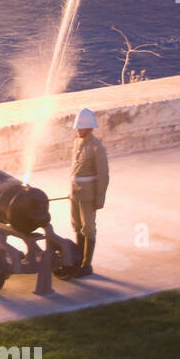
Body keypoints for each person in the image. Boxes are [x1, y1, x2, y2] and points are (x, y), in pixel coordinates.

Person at [68, 108, 109, 278]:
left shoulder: (96, 148)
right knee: (76, 226)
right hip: (75, 194)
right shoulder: (77, 143)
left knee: (88, 229)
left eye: (80, 128)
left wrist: (99, 199)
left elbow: (103, 176)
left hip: (87, 196)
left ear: (90, 128)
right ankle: (78, 259)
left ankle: (86, 264)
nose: (77, 130)